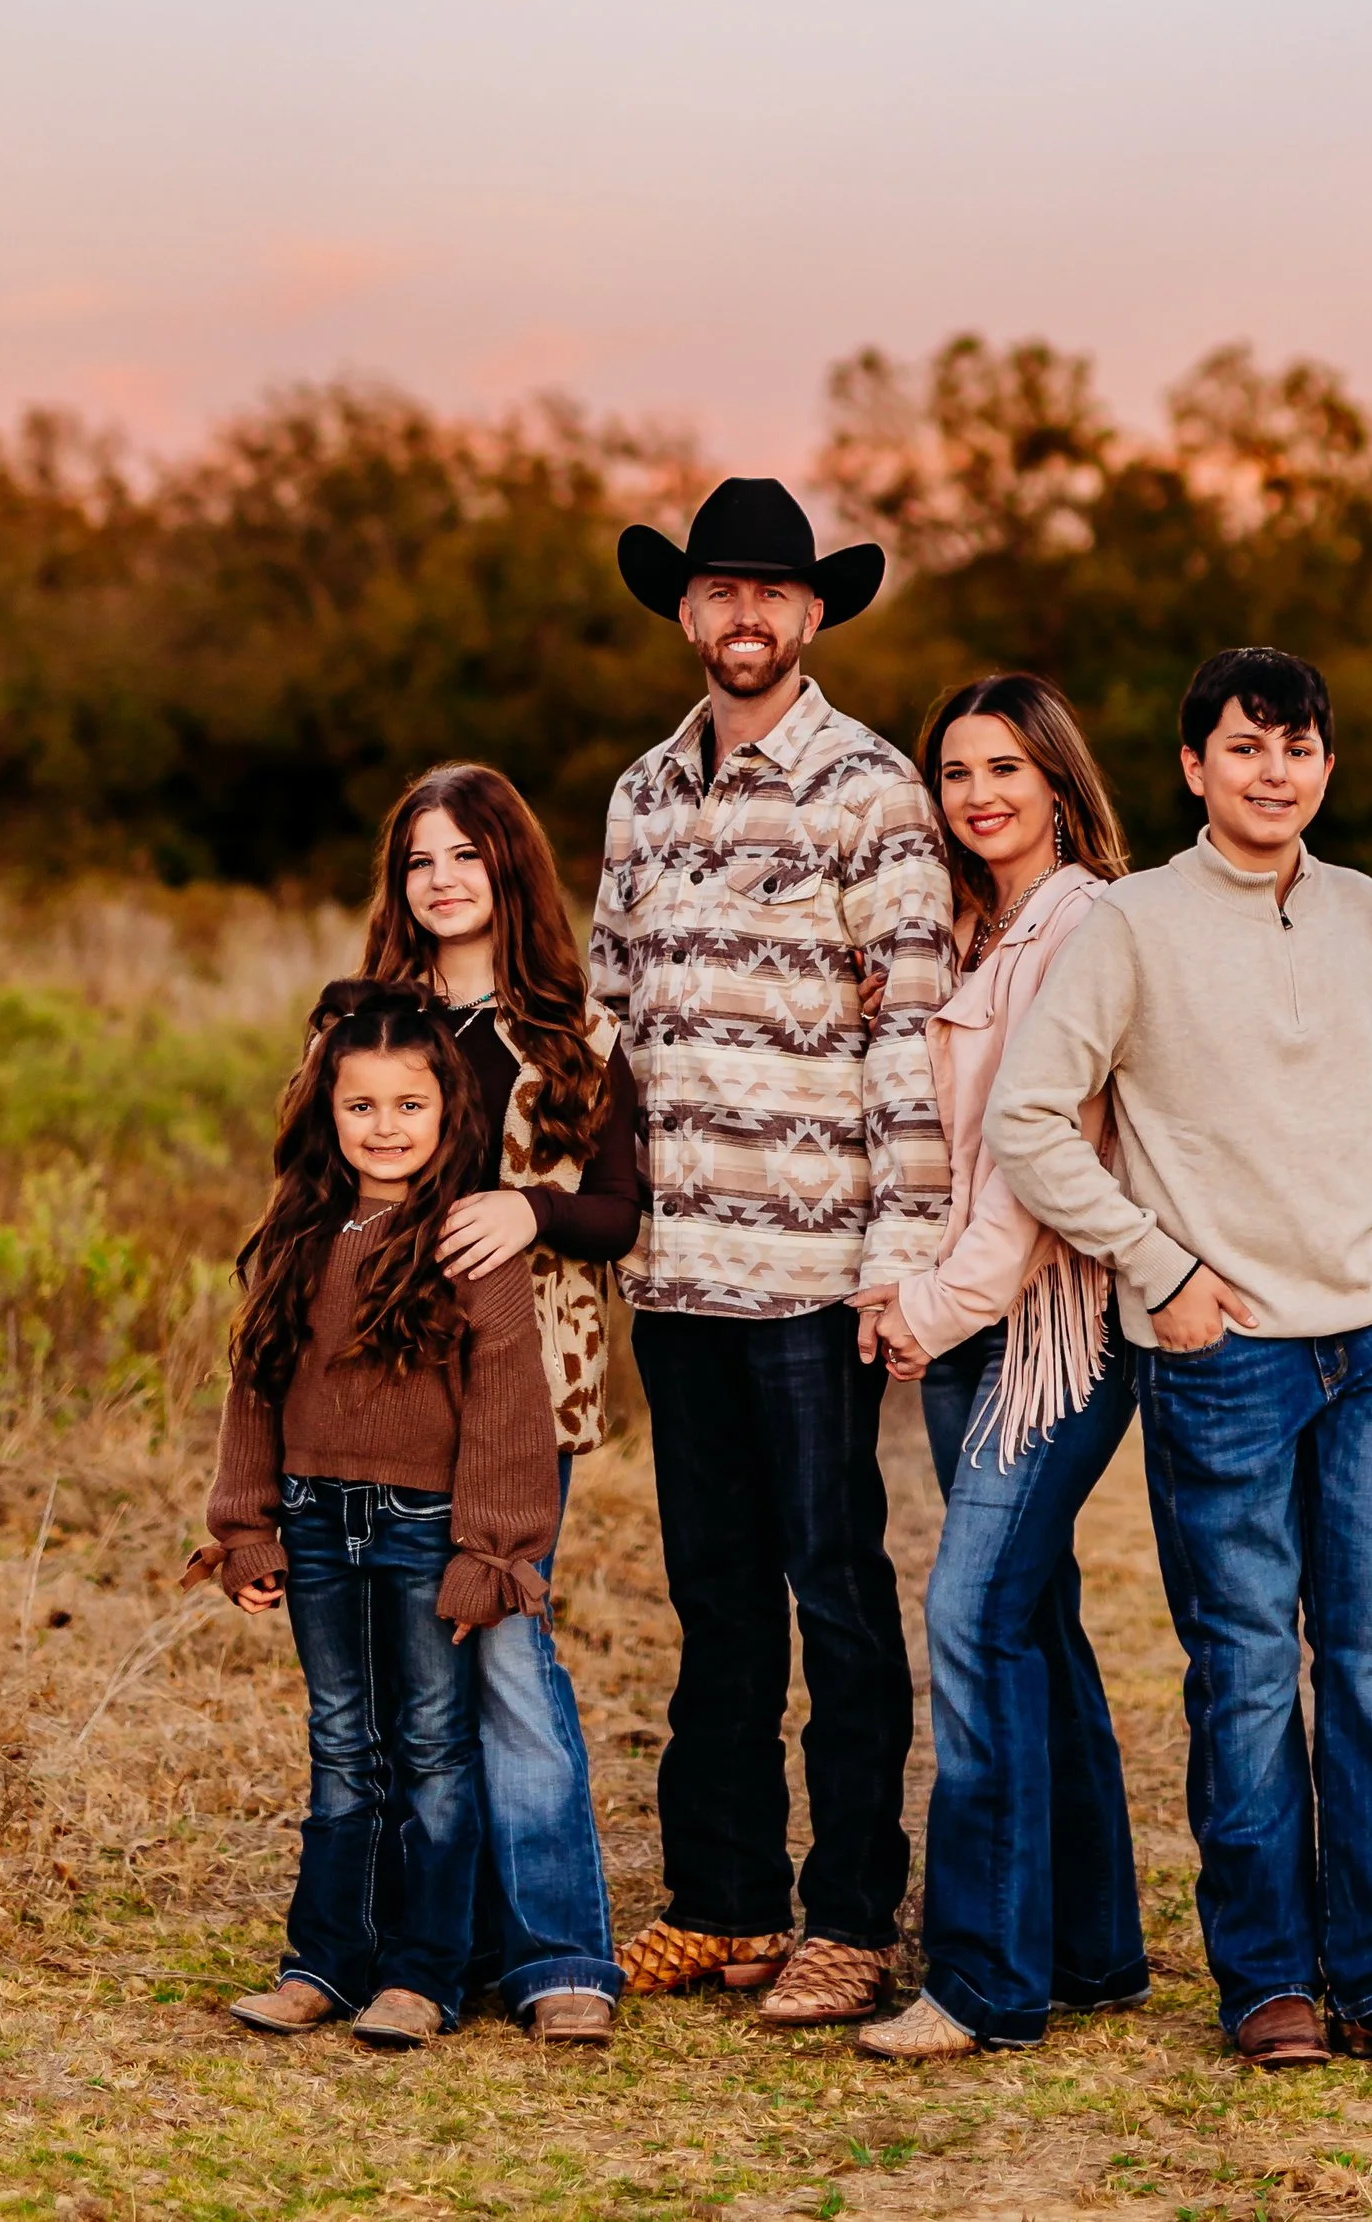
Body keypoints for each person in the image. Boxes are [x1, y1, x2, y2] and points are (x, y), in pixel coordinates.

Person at [987, 646, 1372, 2077]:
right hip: (1221, 1357)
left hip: (1368, 1338)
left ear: (1327, 764)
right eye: (1245, 745)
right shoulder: (1132, 926)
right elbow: (1030, 1116)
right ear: (1193, 765)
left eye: (1300, 746)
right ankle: (1268, 1978)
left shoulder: (1370, 917)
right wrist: (1164, 1268)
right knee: (1250, 1667)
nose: (1276, 769)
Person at [593, 475, 956, 2030]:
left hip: (814, 1270)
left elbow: (911, 1032)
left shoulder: (873, 791)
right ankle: (722, 1899)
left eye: (774, 593)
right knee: (714, 1591)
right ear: (684, 611)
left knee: (839, 1590)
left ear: (813, 614)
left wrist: (902, 1252)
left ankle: (855, 1912)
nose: (745, 616)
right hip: (676, 1269)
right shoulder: (638, 797)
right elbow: (603, 1022)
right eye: (717, 591)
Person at [847, 672, 1149, 2064]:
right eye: (956, 769)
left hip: (1048, 1337)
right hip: (977, 1332)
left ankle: (982, 1979)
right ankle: (1092, 1944)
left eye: (1005, 767)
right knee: (1033, 1621)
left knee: (968, 1619)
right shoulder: (970, 931)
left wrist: (927, 1308)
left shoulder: (1087, 922)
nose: (978, 793)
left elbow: (1041, 1167)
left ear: (1057, 776)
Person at [190, 990, 560, 2050]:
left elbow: (507, 1407)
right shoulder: (296, 1238)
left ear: (450, 1112)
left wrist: (490, 1550)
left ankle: (422, 1975)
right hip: (311, 1521)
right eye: (362, 1107)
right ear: (327, 1113)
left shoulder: (470, 1244)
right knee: (342, 1747)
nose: (386, 1127)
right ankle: (323, 1963)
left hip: (425, 1529)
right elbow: (253, 1391)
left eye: (410, 1104)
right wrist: (245, 1529)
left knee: (435, 1750)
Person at [335, 760, 640, 2038]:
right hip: (385, 1398)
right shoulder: (364, 1025)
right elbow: (317, 1185)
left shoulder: (577, 1036)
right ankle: (425, 1953)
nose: (444, 877)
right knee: (407, 1677)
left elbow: (620, 1213)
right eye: (421, 859)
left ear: (510, 867)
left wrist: (531, 1206)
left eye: (468, 853)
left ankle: (562, 1954)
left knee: (509, 1652)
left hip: (525, 1396)